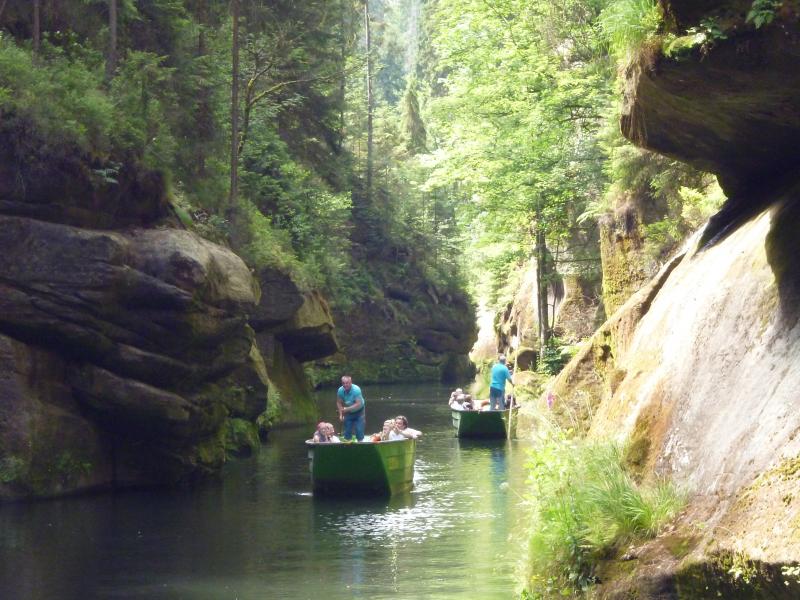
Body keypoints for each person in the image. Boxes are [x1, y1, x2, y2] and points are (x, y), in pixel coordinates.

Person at [336, 375, 366, 441]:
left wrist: (346, 409)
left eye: (347, 383)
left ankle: (360, 442)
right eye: (343, 383)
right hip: (349, 412)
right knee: (347, 430)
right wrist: (341, 415)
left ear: (350, 382)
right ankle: (347, 443)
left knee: (359, 430)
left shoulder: (356, 390)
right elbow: (339, 402)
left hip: (359, 411)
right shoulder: (340, 390)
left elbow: (358, 404)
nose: (345, 385)